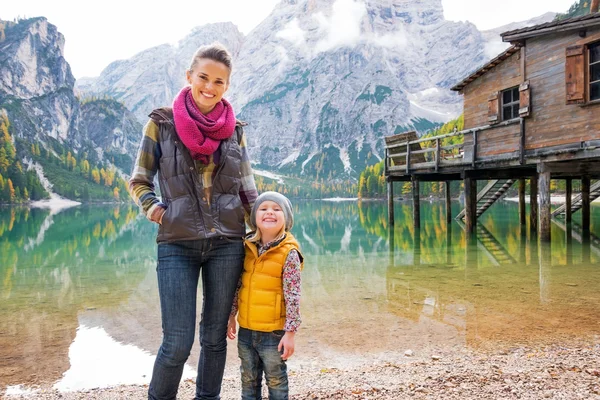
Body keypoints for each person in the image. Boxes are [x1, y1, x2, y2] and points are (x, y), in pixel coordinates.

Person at [128, 42, 258, 400]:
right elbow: (139, 179)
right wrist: (157, 211)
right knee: (177, 341)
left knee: (215, 338)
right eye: (203, 77)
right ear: (189, 76)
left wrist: (265, 230)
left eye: (219, 81)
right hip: (177, 244)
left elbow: (248, 189)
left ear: (226, 86)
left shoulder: (235, 130)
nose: (210, 87)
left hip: (228, 244)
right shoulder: (161, 123)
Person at [227, 191, 304, 400]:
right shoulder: (247, 247)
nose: (270, 212)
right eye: (263, 208)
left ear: (286, 218)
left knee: (276, 381)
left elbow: (293, 295)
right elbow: (238, 285)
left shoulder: (289, 253)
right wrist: (231, 316)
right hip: (246, 330)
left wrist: (291, 333)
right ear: (254, 218)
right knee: (248, 379)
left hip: (274, 334)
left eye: (277, 209)